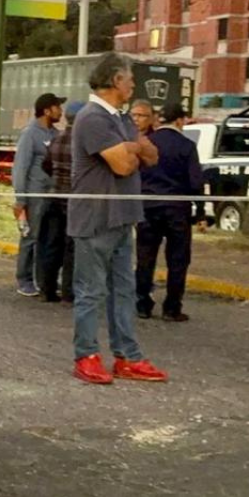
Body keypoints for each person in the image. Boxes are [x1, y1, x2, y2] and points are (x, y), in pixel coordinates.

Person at [69, 53, 168, 385]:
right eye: (129, 79)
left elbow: (152, 155)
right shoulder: (92, 118)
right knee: (91, 292)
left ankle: (127, 356)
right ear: (115, 81)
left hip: (124, 217)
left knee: (124, 291)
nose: (133, 85)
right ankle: (87, 355)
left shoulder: (123, 119)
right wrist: (132, 149)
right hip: (95, 218)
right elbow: (123, 166)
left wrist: (132, 147)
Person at [136, 102, 203, 322]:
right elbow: (196, 183)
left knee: (145, 257)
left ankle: (142, 304)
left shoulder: (147, 143)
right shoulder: (186, 146)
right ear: (180, 120)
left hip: (148, 206)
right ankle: (172, 307)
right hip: (177, 208)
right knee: (177, 259)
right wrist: (200, 212)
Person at [11, 93, 64, 296]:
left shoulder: (55, 134)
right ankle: (24, 279)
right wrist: (20, 198)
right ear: (46, 110)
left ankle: (44, 278)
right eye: (57, 107)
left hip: (52, 195)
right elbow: (20, 167)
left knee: (48, 238)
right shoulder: (30, 134)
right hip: (34, 195)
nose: (61, 112)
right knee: (30, 237)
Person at [38, 100, 85, 304]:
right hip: (74, 200)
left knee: (52, 244)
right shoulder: (83, 143)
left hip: (54, 196)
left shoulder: (55, 140)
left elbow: (45, 165)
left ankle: (47, 289)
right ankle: (69, 291)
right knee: (71, 247)